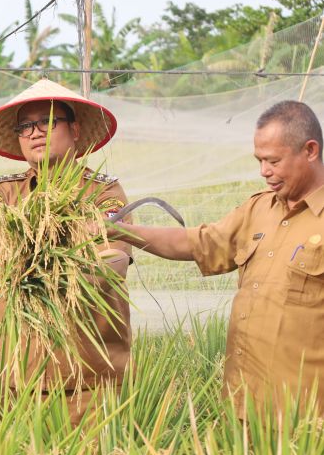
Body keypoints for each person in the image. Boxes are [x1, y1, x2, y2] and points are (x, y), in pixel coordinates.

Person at [113, 100, 324, 416]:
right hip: (243, 403)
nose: (264, 172)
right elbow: (198, 242)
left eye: (274, 161)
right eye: (259, 160)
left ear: (310, 151)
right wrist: (118, 232)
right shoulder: (258, 210)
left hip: (304, 416)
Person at [0, 79, 132, 424]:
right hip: (17, 377)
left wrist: (32, 259)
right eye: (25, 126)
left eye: (47, 122)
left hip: (89, 379)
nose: (34, 133)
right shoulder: (5, 191)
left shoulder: (103, 193)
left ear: (74, 129)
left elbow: (113, 260)